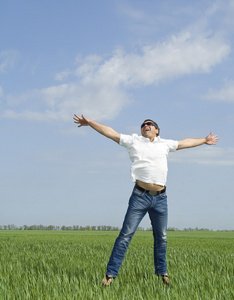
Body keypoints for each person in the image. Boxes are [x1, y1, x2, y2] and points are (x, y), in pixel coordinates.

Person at [73, 114, 219, 286]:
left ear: (156, 130)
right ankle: (110, 275)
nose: (145, 126)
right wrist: (90, 123)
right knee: (125, 235)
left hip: (161, 198)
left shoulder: (165, 144)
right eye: (143, 124)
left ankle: (162, 274)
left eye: (149, 124)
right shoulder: (133, 141)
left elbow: (185, 142)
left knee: (162, 237)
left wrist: (204, 140)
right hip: (139, 197)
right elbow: (110, 132)